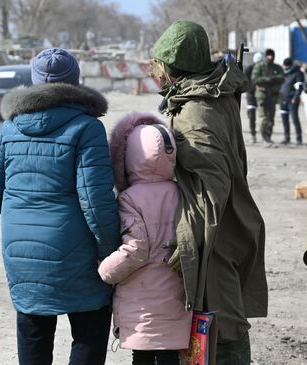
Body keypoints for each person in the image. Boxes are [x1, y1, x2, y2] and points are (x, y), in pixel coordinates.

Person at [0, 48, 120, 365]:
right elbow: (95, 201)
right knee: (89, 327)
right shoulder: (87, 127)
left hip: (20, 246)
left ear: (34, 81)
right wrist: (110, 250)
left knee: (33, 328)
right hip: (76, 249)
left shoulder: (11, 127)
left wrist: (20, 216)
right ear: (75, 81)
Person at [150, 20, 267, 365]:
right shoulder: (208, 96)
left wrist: (188, 245)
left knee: (221, 325)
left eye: (157, 66)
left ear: (173, 67)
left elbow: (211, 191)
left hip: (213, 236)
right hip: (223, 226)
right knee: (218, 321)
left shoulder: (195, 112)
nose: (154, 74)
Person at [98, 112, 192, 365]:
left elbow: (136, 249)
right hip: (176, 294)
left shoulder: (130, 198)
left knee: (142, 355)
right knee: (170, 354)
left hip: (142, 300)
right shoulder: (182, 192)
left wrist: (105, 270)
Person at [251, 48, 284, 145]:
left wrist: (273, 79)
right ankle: (264, 137)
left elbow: (282, 78)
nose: (270, 57)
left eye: (271, 55)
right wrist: (267, 79)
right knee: (263, 117)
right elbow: (255, 79)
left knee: (271, 118)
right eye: (268, 55)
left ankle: (268, 137)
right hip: (262, 94)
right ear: (266, 56)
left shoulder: (277, 67)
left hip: (273, 95)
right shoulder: (259, 66)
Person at [278, 57, 304, 145]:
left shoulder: (297, 73)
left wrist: (295, 98)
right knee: (284, 120)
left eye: (285, 65)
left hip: (292, 100)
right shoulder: (283, 73)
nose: (283, 67)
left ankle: (299, 138)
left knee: (294, 119)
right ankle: (286, 138)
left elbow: (299, 88)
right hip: (282, 99)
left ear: (289, 65)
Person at [244, 52, 264, 143]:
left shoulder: (265, 69)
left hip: (262, 94)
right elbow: (245, 81)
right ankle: (253, 134)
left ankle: (265, 135)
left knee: (263, 116)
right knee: (252, 116)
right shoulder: (249, 69)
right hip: (251, 95)